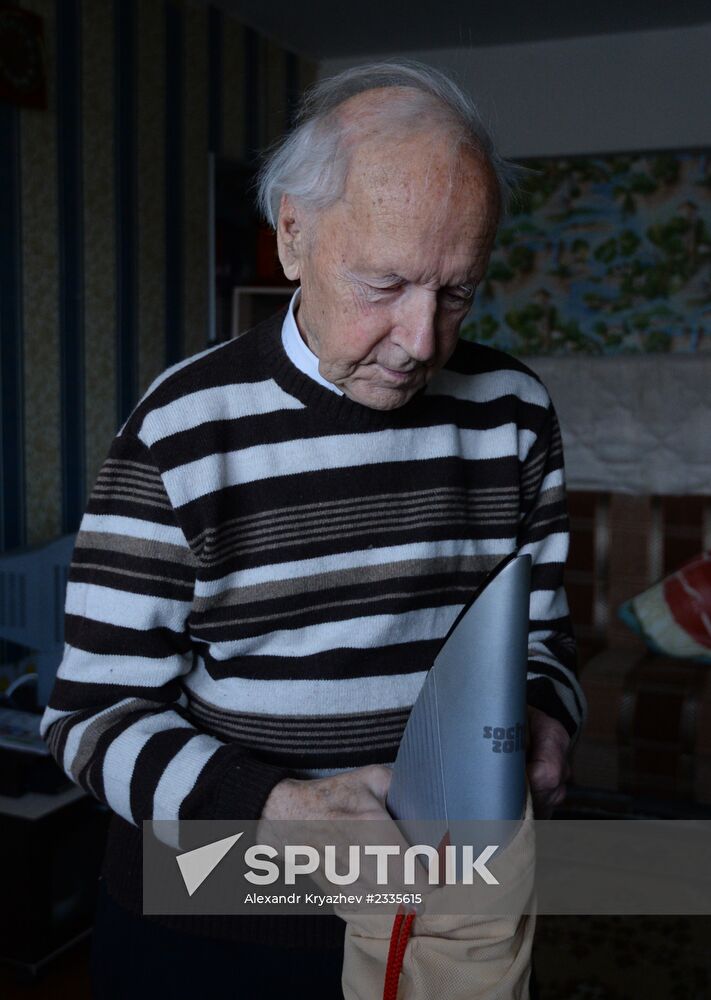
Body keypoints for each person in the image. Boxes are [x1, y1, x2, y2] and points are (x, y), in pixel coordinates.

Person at [41, 61, 585, 999]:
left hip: (439, 908)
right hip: (208, 916)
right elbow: (89, 718)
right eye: (385, 283)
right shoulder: (180, 427)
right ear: (293, 234)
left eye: (456, 293)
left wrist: (546, 716)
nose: (421, 339)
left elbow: (543, 640)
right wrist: (276, 809)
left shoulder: (514, 412)